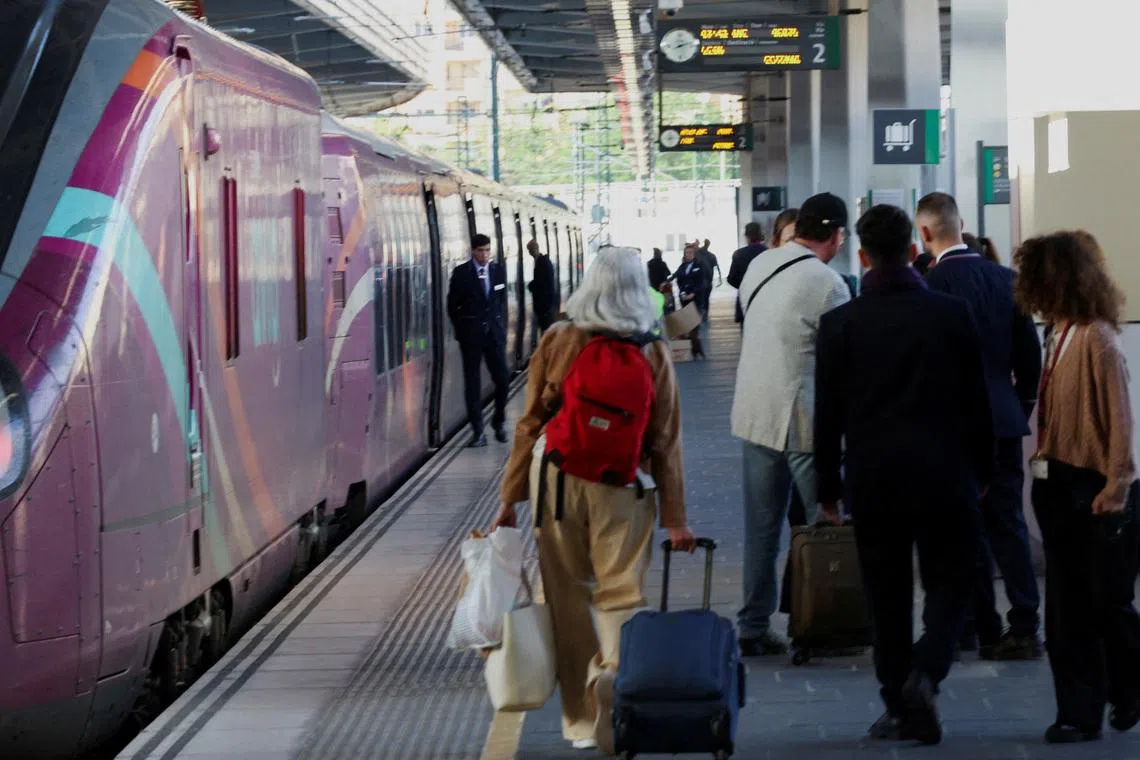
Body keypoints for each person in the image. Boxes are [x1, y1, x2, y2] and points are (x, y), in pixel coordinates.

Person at [491, 246, 696, 753]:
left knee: (567, 598)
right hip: (624, 487)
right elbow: (667, 439)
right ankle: (612, 677)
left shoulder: (559, 338)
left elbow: (529, 423)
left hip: (557, 482)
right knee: (621, 593)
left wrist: (509, 497)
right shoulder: (651, 349)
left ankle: (581, 722)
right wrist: (676, 519)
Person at [815, 204, 993, 745]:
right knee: (954, 579)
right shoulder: (950, 313)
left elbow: (828, 415)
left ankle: (897, 702)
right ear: (914, 251)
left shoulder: (839, 325)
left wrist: (828, 488)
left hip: (874, 479)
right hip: (945, 473)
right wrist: (982, 469)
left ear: (862, 255)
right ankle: (928, 671)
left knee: (885, 593)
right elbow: (976, 402)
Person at [1013, 230, 1140, 744]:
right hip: (1057, 483)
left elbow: (1120, 417)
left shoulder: (1096, 339)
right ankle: (1079, 711)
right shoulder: (1057, 332)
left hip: (1091, 486)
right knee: (1066, 606)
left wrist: (1117, 483)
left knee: (1104, 601)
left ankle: (1127, 684)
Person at [917, 193, 1044, 660]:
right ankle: (1026, 622)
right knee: (1007, 523)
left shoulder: (929, 284)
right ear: (961, 224)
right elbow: (1030, 359)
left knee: (956, 526)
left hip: (950, 424)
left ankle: (974, 621)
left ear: (925, 233)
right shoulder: (1007, 280)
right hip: (1003, 418)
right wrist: (1019, 403)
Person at [731, 192, 852, 655]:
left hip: (754, 415)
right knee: (826, 528)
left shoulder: (760, 264)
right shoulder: (829, 285)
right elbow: (841, 364)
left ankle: (753, 626)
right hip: (803, 420)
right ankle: (823, 624)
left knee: (761, 530)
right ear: (837, 235)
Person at [447, 233, 511, 448]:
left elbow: (501, 302)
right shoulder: (461, 273)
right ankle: (478, 432)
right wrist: (463, 329)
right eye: (480, 251)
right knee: (472, 384)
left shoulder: (498, 271)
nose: (484, 255)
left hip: (494, 336)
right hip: (471, 338)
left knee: (502, 380)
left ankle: (498, 421)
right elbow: (452, 306)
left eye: (487, 250)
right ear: (473, 251)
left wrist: (499, 327)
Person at [727, 221, 770, 326]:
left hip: (745, 300)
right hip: (766, 299)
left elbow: (731, 279)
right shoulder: (769, 253)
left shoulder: (739, 254)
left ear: (746, 236)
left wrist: (743, 286)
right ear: (760, 234)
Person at [672, 243, 709, 359]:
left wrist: (693, 293)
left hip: (696, 300)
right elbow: (679, 281)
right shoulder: (682, 267)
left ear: (694, 254)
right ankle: (697, 349)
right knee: (690, 326)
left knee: (694, 326)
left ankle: (696, 349)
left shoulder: (700, 265)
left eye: (690, 253)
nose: (688, 255)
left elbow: (702, 282)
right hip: (685, 300)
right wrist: (683, 293)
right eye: (687, 253)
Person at [527, 239, 558, 332]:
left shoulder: (542, 263)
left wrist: (531, 286)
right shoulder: (544, 261)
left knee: (546, 331)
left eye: (531, 250)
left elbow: (541, 284)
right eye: (529, 251)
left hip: (545, 307)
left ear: (536, 249)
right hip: (546, 307)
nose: (530, 253)